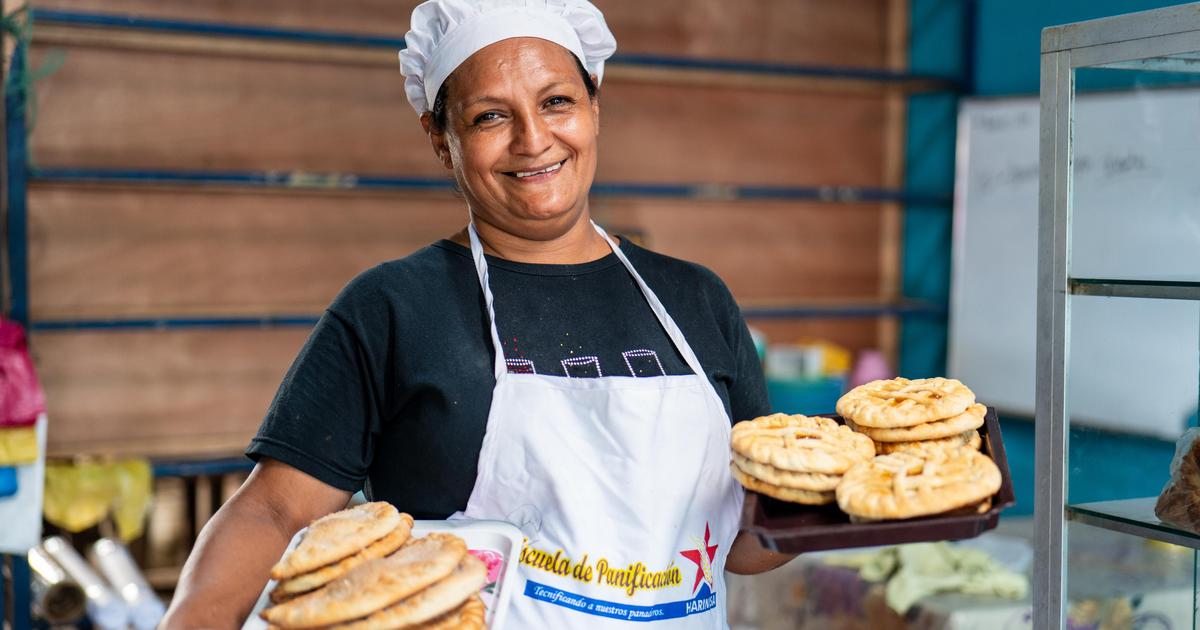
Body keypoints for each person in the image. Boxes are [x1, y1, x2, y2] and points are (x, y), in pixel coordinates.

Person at [162, 1, 794, 627]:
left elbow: (741, 543)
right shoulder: (394, 307)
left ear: (594, 105)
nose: (534, 139)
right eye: (491, 115)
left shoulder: (696, 301)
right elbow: (272, 513)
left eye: (556, 102)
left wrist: (844, 510)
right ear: (441, 139)